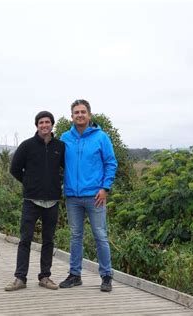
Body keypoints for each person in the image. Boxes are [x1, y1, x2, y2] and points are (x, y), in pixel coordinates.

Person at [59, 99, 118, 292]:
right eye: (76, 112)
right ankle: (75, 275)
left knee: (100, 235)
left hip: (95, 196)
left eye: (83, 112)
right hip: (72, 197)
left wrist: (105, 188)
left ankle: (106, 275)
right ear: (72, 116)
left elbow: (111, 163)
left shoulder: (101, 137)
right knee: (75, 236)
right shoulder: (65, 138)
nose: (80, 115)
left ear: (89, 115)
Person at [5, 111, 65, 291]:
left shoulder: (60, 146)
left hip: (52, 201)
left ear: (52, 125)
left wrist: (58, 183)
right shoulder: (27, 146)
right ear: (37, 125)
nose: (44, 125)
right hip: (31, 201)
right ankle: (20, 278)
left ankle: (45, 277)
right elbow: (15, 168)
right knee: (25, 240)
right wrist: (29, 183)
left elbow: (67, 168)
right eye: (41, 122)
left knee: (49, 240)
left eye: (47, 122)